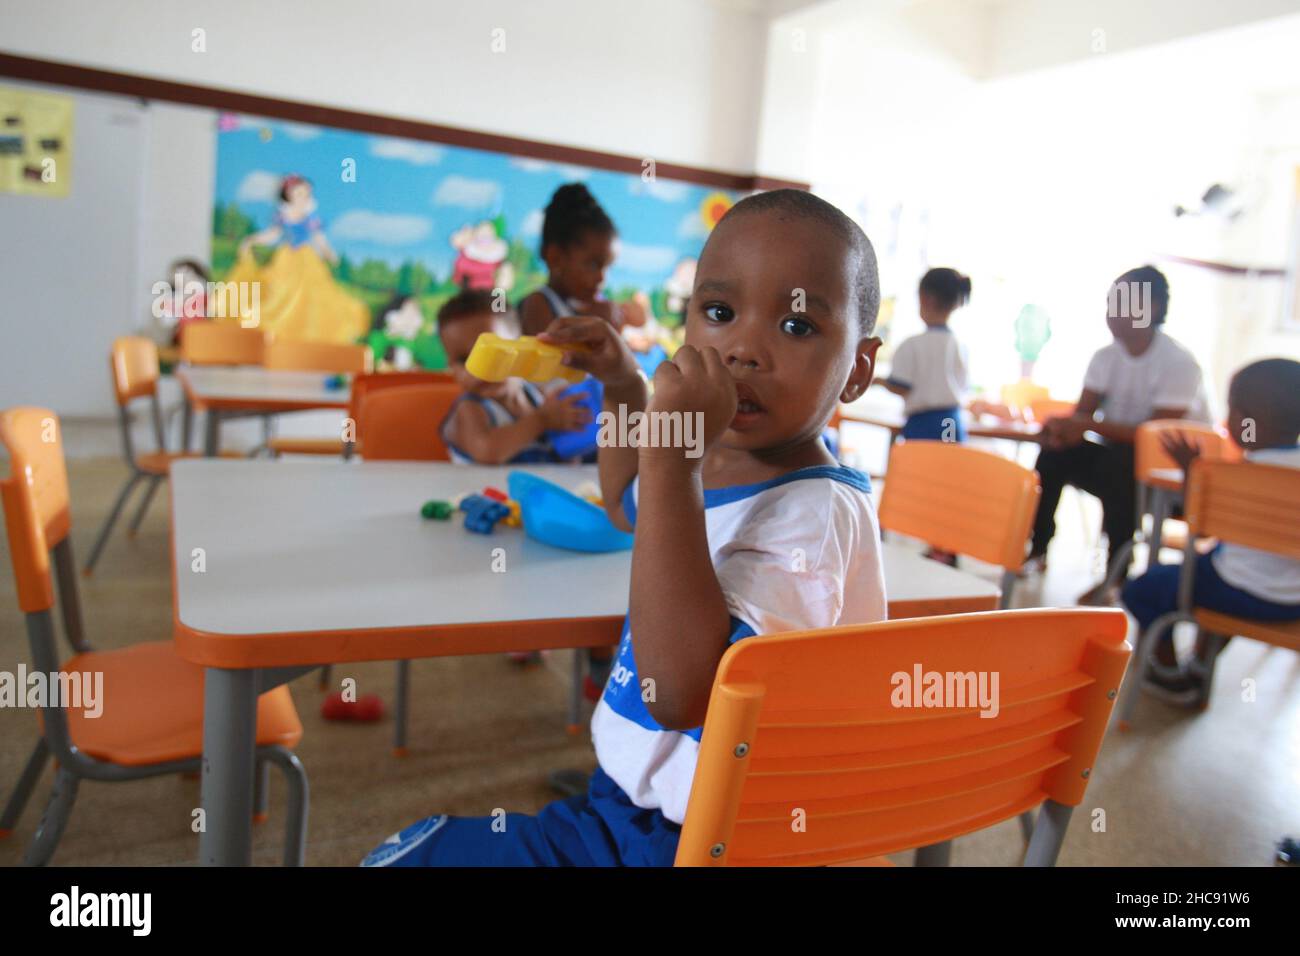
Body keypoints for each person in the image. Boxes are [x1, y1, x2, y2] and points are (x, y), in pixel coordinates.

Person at [362, 188, 887, 866]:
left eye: (796, 326)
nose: (744, 351)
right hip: (626, 810)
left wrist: (673, 457)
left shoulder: (816, 517)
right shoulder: (716, 464)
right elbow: (625, 499)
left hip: (697, 843)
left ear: (859, 370)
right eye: (721, 313)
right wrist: (620, 384)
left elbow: (678, 693)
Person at [1026, 266, 1210, 603]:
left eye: (1120, 304)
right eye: (1110, 303)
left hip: (1173, 479)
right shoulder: (1105, 357)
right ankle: (1037, 548)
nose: (1111, 313)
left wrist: (1086, 425)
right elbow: (1083, 415)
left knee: (1124, 462)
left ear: (1151, 308)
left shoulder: (1179, 362)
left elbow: (1155, 438)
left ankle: (1115, 576)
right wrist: (1061, 429)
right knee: (1055, 454)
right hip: (1119, 463)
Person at [1122, 358, 1300, 705]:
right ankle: (1201, 664)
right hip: (1293, 602)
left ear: (1246, 420)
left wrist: (1193, 472)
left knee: (1144, 588)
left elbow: (1199, 530)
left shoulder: (1236, 474)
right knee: (1216, 568)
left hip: (1234, 591)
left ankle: (1171, 673)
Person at [437, 289, 591, 465]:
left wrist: (568, 428)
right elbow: (488, 451)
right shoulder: (471, 408)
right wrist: (543, 419)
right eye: (465, 360)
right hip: (481, 491)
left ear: (522, 346)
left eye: (495, 354)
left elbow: (560, 455)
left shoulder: (536, 396)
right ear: (451, 368)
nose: (483, 370)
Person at [517, 183, 644, 336]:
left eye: (607, 266)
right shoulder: (537, 304)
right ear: (555, 258)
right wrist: (598, 325)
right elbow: (551, 357)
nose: (601, 277)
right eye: (592, 265)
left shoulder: (591, 306)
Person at [879, 267, 972, 443]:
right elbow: (964, 386)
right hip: (952, 422)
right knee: (948, 467)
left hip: (923, 423)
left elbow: (901, 386)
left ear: (925, 299)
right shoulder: (960, 345)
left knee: (921, 467)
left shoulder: (912, 344)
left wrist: (878, 381)